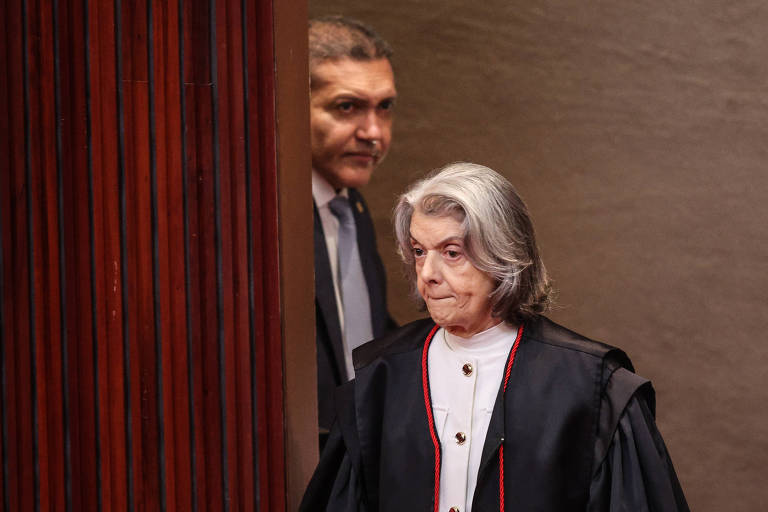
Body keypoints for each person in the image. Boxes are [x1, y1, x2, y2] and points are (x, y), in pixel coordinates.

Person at [301, 162, 689, 511]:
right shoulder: (380, 379)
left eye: (451, 252)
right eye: (419, 251)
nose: (428, 274)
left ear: (503, 256)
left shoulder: (592, 387)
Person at [310, 15, 398, 446]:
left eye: (385, 107)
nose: (373, 132)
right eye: (347, 107)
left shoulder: (352, 207)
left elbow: (367, 333)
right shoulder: (264, 221)